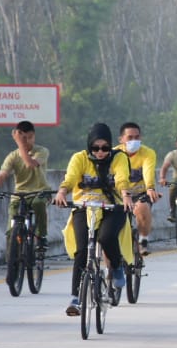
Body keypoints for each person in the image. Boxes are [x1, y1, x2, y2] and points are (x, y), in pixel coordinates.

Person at [54, 123, 134, 316]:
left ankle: (116, 267)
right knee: (82, 251)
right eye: (95, 148)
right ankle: (75, 299)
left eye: (105, 148)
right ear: (89, 146)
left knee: (106, 238)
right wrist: (62, 191)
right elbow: (71, 177)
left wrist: (125, 195)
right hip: (85, 207)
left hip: (112, 207)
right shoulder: (79, 158)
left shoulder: (119, 157)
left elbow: (122, 177)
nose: (100, 152)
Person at [0, 121, 51, 255]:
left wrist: (21, 143)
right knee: (12, 219)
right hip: (20, 194)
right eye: (23, 138)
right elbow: (3, 174)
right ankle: (12, 258)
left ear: (33, 136)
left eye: (29, 138)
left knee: (39, 204)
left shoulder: (42, 151)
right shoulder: (13, 156)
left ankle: (41, 237)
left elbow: (31, 164)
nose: (26, 141)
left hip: (39, 192)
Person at [117, 122, 160, 255]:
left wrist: (151, 188)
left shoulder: (148, 153)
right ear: (121, 139)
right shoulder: (115, 153)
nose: (134, 141)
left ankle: (143, 240)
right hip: (120, 194)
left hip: (140, 192)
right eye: (130, 137)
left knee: (142, 208)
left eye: (137, 137)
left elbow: (148, 171)